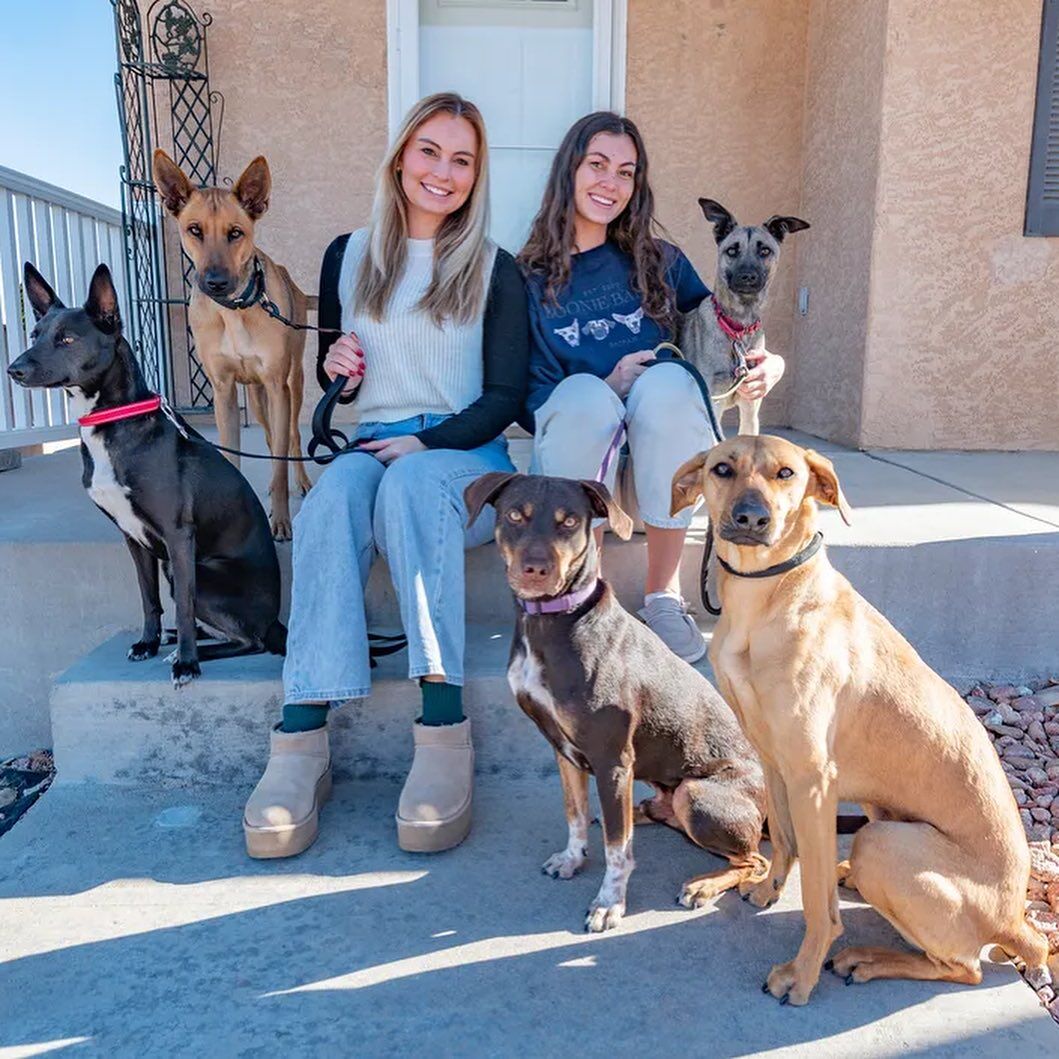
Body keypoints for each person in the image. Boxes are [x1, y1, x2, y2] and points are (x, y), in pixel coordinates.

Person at [243, 92, 529, 858]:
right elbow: (341, 377)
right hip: (373, 447)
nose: (443, 171)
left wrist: (429, 442)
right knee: (332, 495)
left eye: (461, 159)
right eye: (429, 151)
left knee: (408, 482)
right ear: (401, 155)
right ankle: (299, 740)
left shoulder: (494, 269)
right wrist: (335, 366)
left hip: (466, 462)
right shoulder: (348, 254)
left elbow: (504, 397)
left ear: (477, 175)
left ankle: (442, 730)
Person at [518, 111, 784, 663]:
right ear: (569, 170)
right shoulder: (528, 278)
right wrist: (608, 384)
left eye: (626, 171)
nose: (610, 183)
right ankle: (579, 588)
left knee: (668, 381)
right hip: (579, 481)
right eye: (597, 165)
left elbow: (727, 324)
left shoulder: (659, 262)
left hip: (655, 482)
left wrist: (768, 362)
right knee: (584, 394)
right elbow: (532, 400)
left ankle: (663, 595)